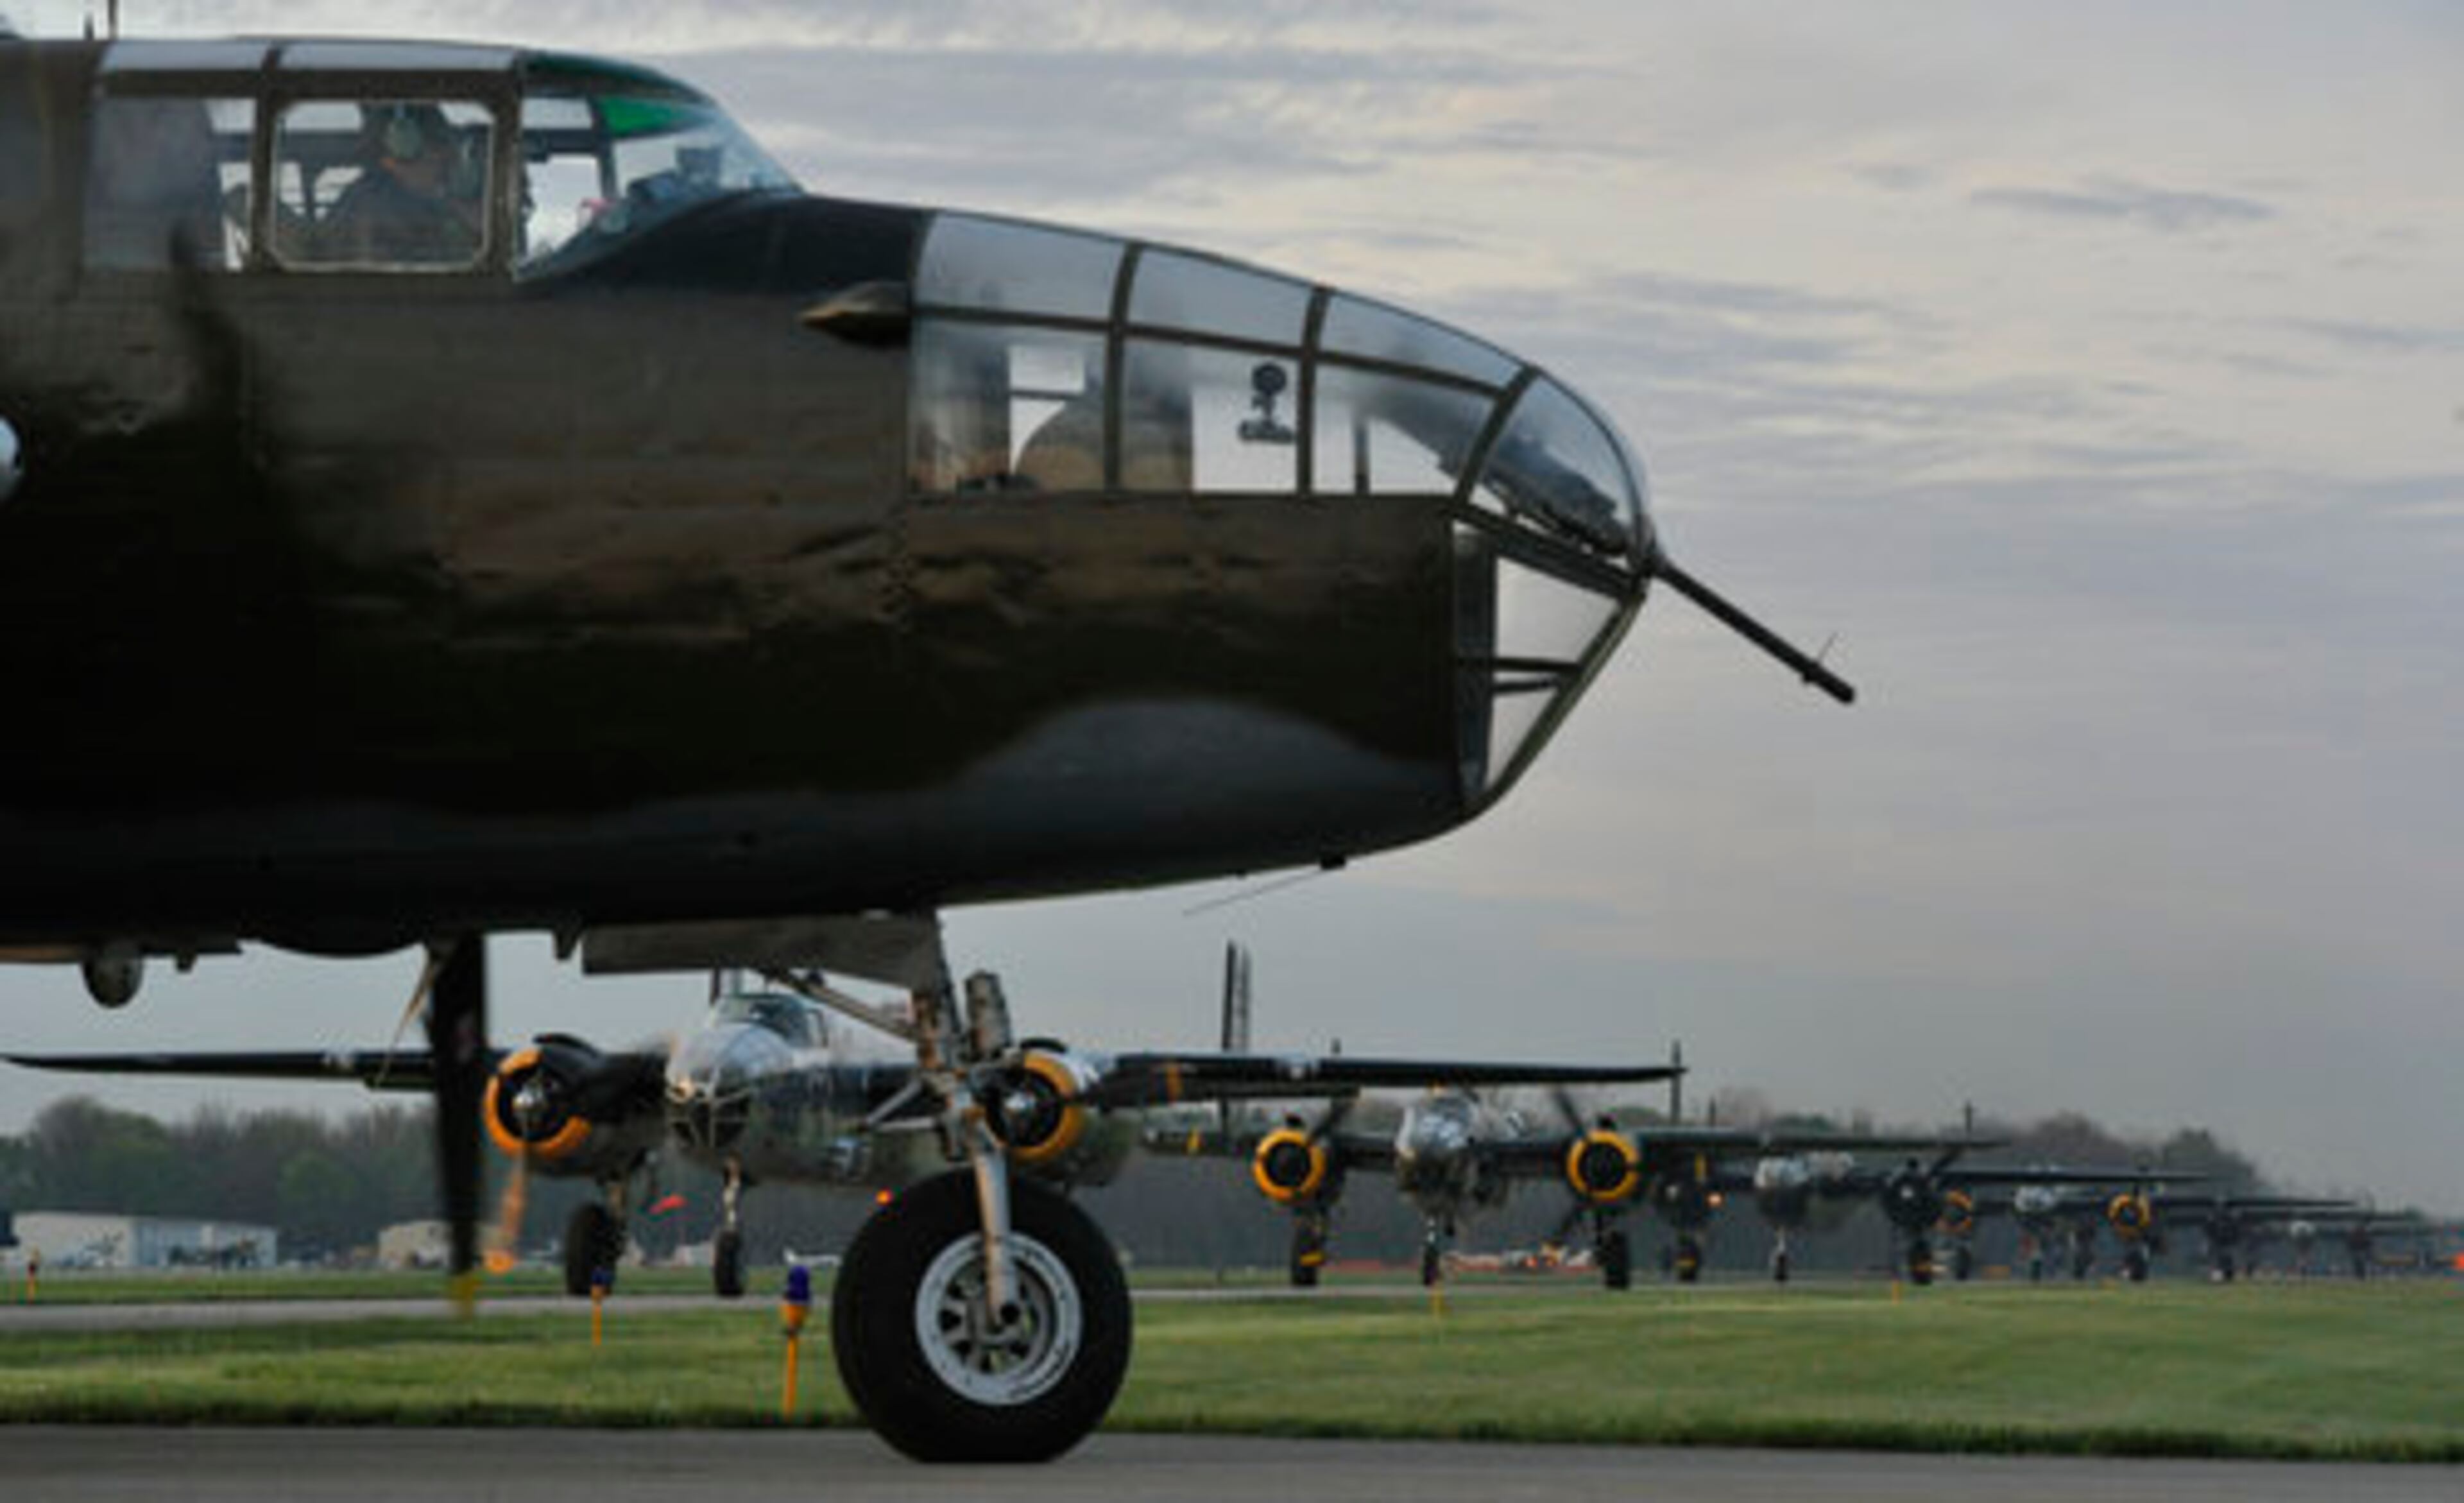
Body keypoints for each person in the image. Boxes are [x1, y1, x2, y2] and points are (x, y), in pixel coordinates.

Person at [321, 103, 482, 266]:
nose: (447, 161)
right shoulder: (377, 210)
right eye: (438, 148)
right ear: (397, 156)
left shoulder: (416, 200)